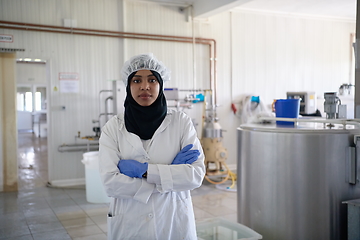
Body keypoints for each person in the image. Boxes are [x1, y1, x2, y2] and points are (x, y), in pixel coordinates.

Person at [99, 53, 206, 240]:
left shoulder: (181, 123)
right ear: (128, 85)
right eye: (136, 80)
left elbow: (195, 175)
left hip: (173, 220)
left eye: (152, 80)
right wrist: (168, 174)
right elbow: (111, 184)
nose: (144, 86)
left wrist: (146, 171)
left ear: (161, 84)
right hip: (130, 223)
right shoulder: (113, 128)